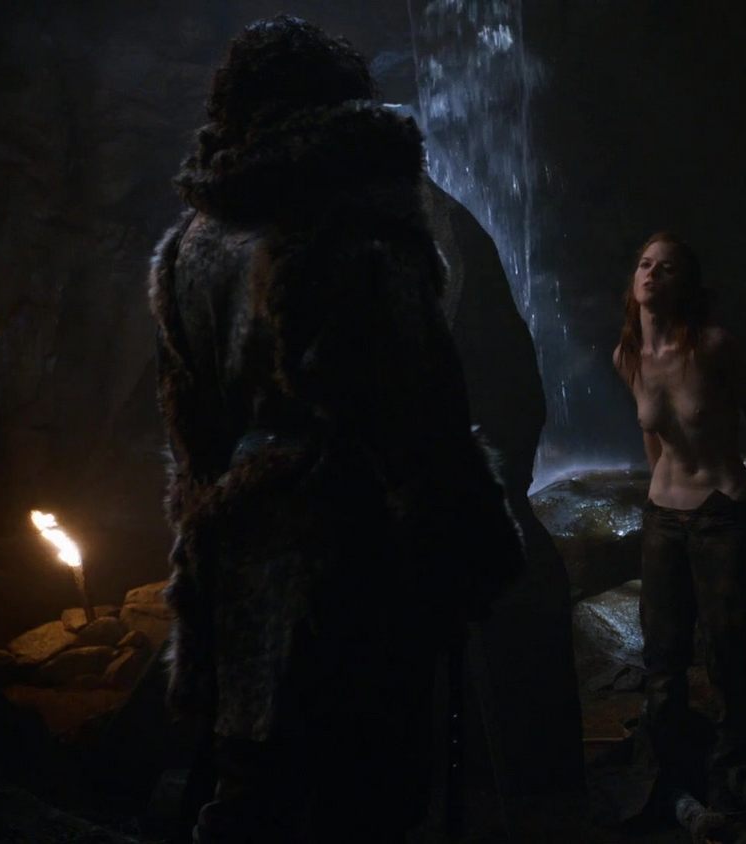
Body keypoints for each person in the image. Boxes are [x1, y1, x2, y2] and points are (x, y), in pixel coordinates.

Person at [149, 16, 521, 842]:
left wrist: (210, 535)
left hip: (239, 564)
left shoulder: (190, 244)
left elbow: (190, 430)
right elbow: (416, 410)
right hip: (355, 563)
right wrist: (467, 545)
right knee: (365, 794)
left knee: (253, 786)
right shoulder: (354, 228)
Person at [612, 232, 746, 816]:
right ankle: (668, 771)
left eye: (665, 267)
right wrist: (655, 484)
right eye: (644, 264)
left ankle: (733, 768)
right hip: (663, 516)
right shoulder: (627, 356)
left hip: (721, 511)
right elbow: (651, 428)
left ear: (685, 284)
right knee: (663, 651)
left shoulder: (713, 346)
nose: (651, 274)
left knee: (727, 645)